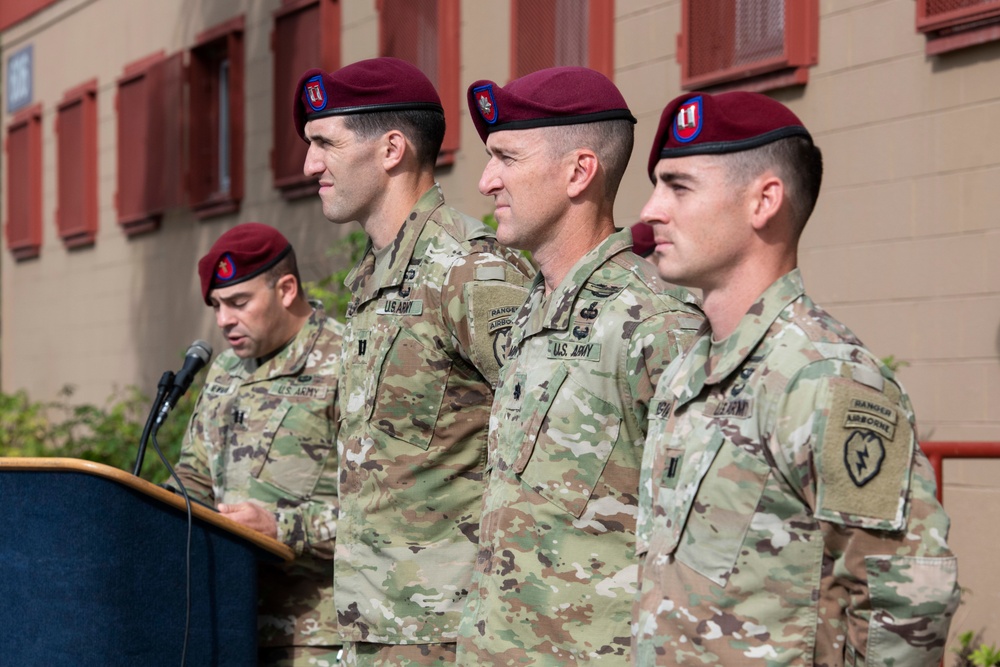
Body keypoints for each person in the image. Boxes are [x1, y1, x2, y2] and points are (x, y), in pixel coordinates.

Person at [633, 91, 961, 665]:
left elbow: (905, 600)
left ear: (764, 201)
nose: (651, 210)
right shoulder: (689, 369)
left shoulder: (825, 380)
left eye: (679, 187)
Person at [455, 67, 704, 665]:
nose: (487, 180)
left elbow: (701, 543)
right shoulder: (535, 309)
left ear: (578, 171)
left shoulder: (656, 321)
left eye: (507, 157)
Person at [293, 57, 534, 665]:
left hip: (448, 630)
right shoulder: (375, 280)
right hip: (375, 624)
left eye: (325, 143)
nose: (309, 165)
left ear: (391, 149)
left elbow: (546, 440)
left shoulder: (468, 269)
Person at [173, 222, 343, 665]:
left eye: (238, 302)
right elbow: (192, 475)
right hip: (226, 626)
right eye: (216, 306)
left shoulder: (348, 362)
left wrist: (281, 530)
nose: (224, 320)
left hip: (315, 636)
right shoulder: (225, 371)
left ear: (286, 289)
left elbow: (385, 508)